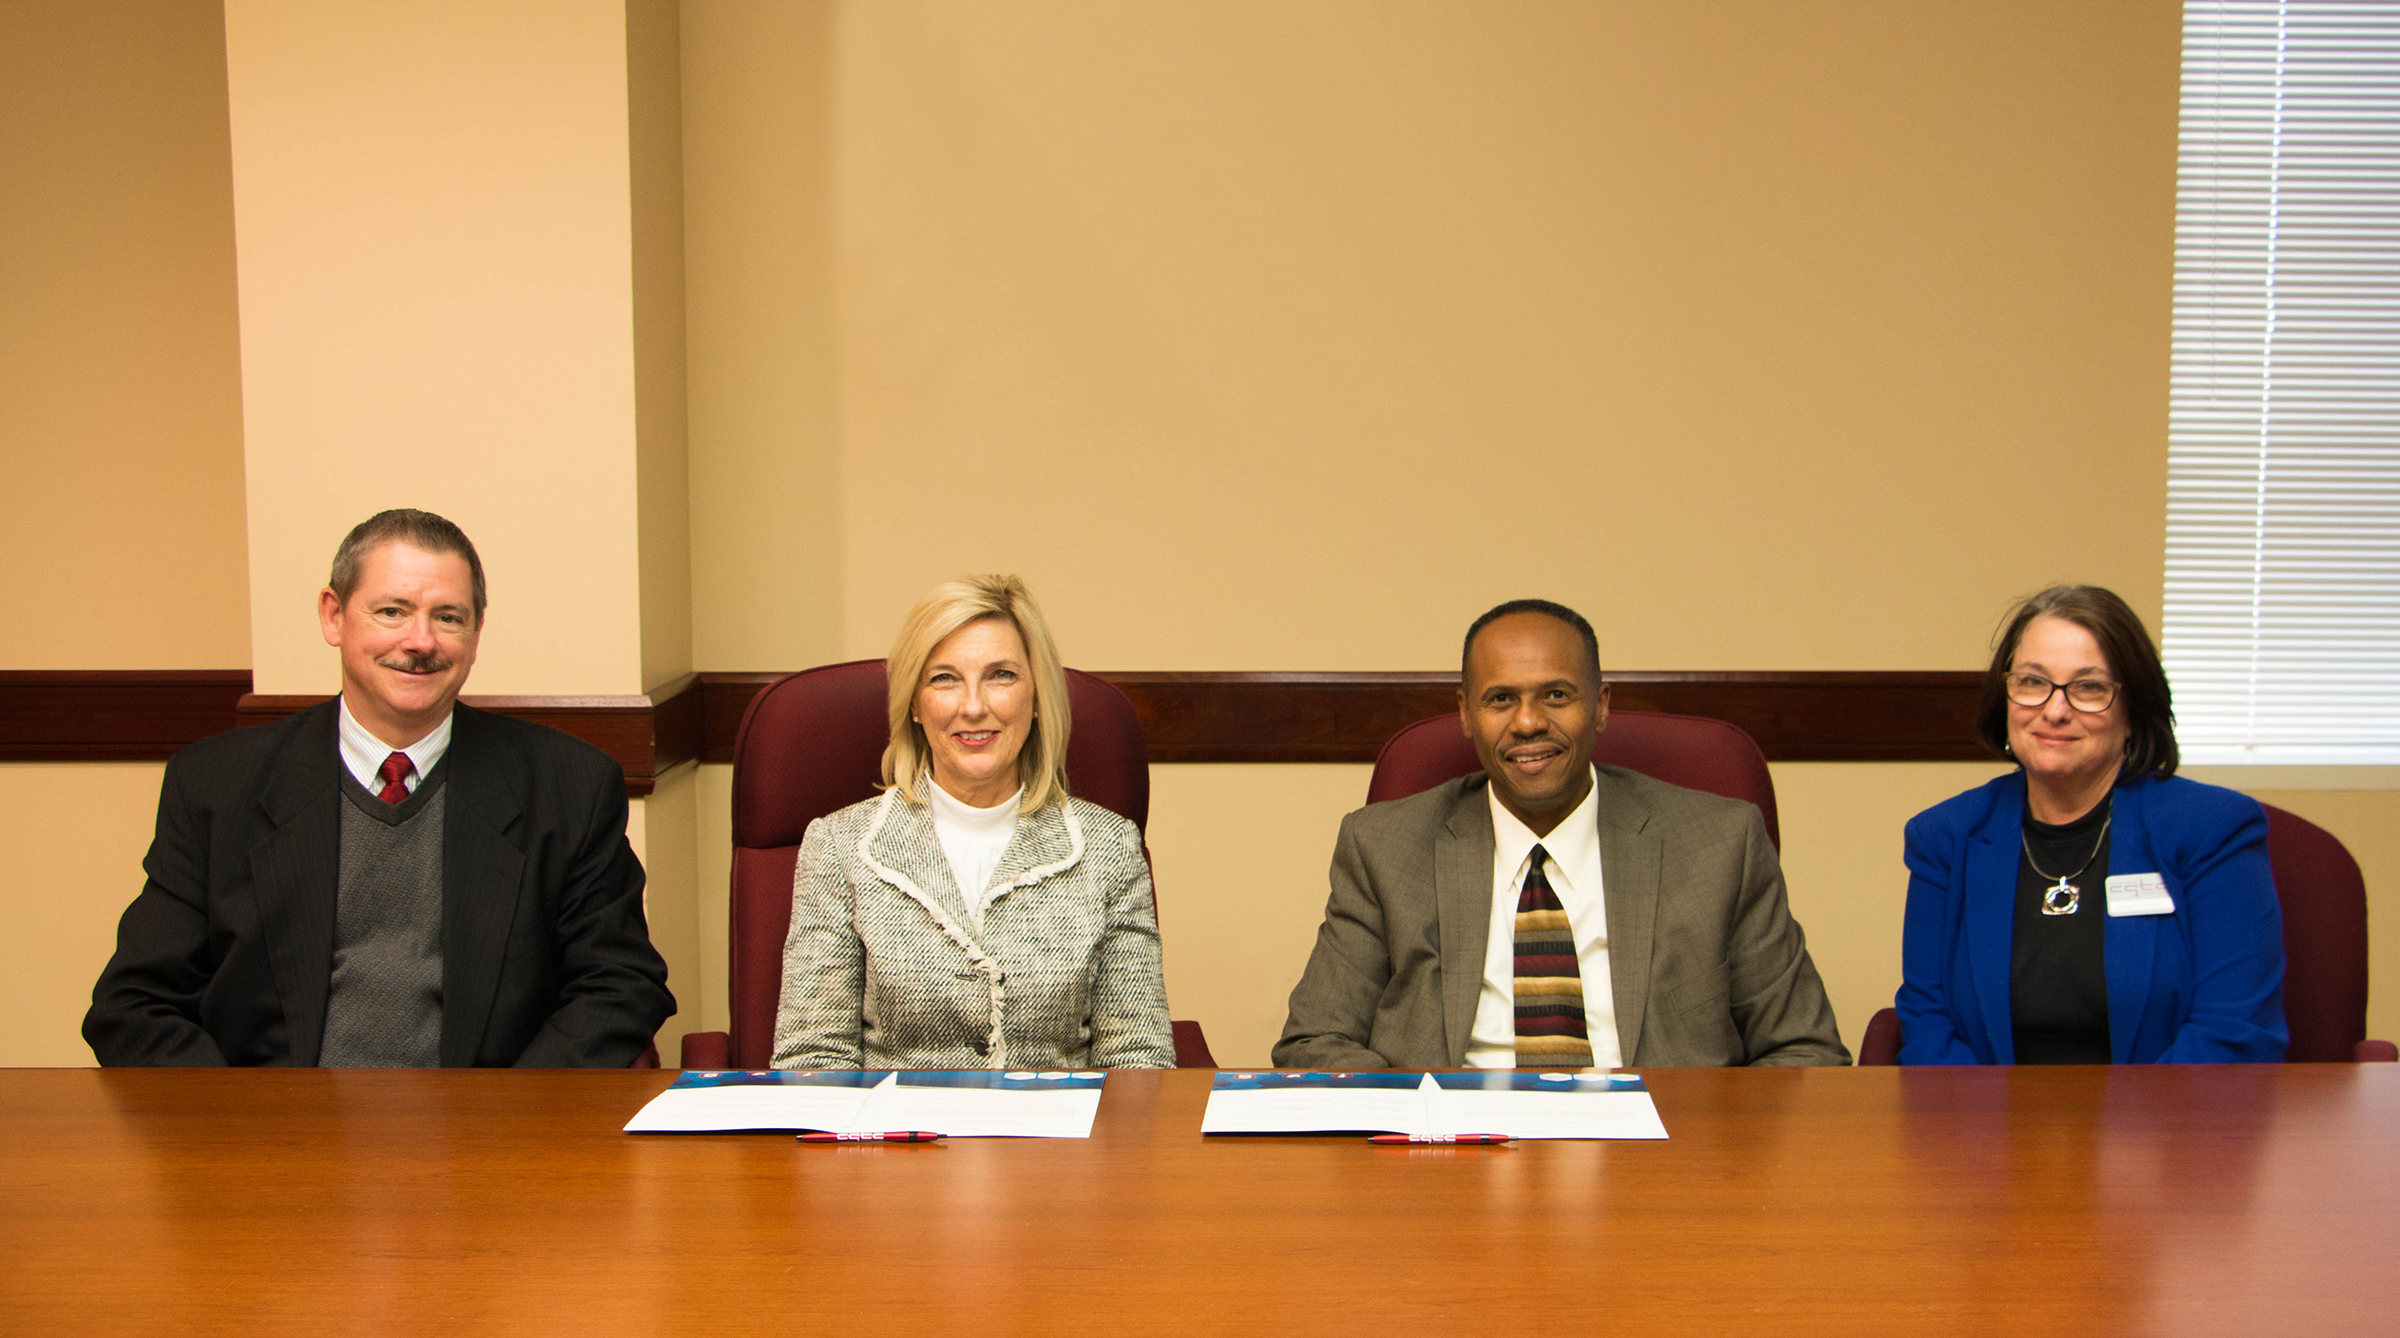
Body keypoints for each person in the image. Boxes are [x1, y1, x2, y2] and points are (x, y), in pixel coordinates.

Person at [84, 509, 674, 1067]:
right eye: (392, 611)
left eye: (448, 617)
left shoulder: (568, 785)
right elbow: (136, 1005)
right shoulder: (218, 784)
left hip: (485, 1147)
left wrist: (501, 1118)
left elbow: (620, 987)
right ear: (333, 616)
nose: (420, 641)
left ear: (476, 631)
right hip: (277, 1148)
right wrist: (248, 1129)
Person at [1275, 599, 1848, 1069]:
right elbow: (1315, 1044)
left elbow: (1804, 1051)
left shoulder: (1721, 845)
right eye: (1501, 699)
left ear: (1599, 707)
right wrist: (1431, 1118)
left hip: (1664, 1163)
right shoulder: (1383, 847)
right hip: (1454, 1164)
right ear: (1466, 714)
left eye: (1556, 695)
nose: (1528, 722)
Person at [772, 575, 1174, 1069]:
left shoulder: (1108, 848)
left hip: (1058, 1141)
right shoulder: (838, 846)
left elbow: (1138, 1061)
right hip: (899, 1140)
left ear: (1036, 695)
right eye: (944, 678)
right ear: (915, 705)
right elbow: (812, 1059)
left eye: (1000, 675)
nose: (973, 706)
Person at [1897, 586, 2285, 1064]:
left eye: (2089, 688)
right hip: (1987, 1129)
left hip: (2168, 1130)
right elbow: (1927, 1024)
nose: (2055, 710)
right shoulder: (1946, 837)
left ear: (2132, 710)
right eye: (2033, 682)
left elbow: (2234, 1034)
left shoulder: (2211, 830)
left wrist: (2124, 1136)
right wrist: (1988, 1134)